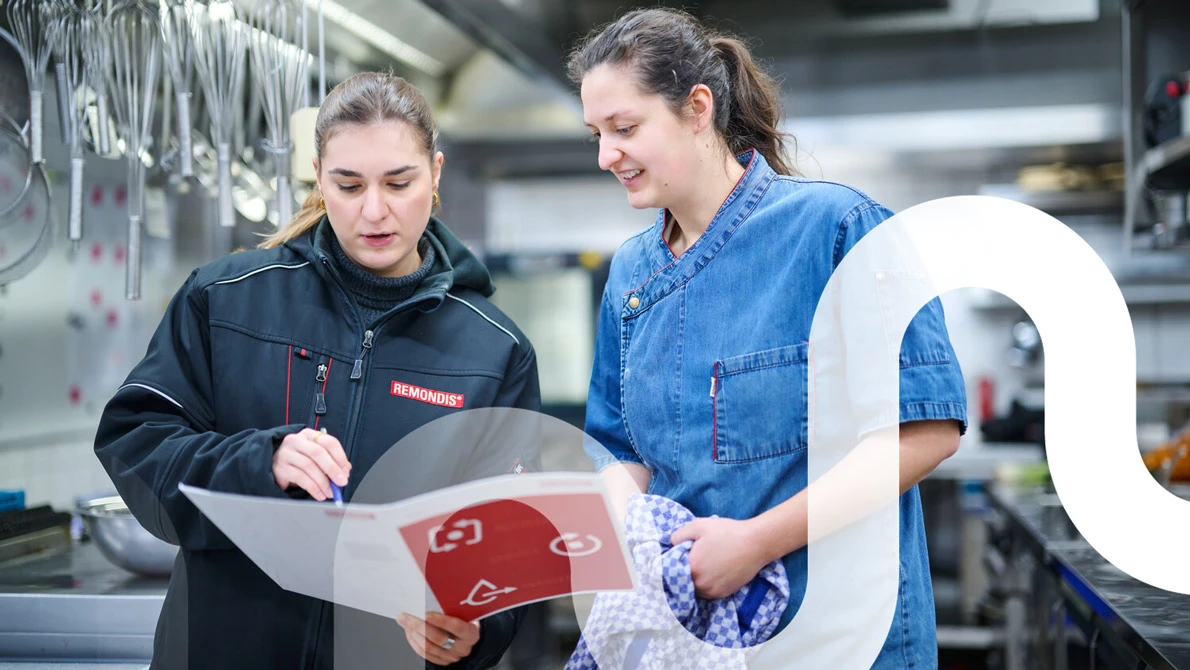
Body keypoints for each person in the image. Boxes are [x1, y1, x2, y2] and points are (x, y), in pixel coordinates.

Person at [94, 72, 539, 670]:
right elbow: (135, 444)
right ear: (319, 175)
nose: (374, 210)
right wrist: (260, 462)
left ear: (434, 175)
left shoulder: (494, 351)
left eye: (398, 182)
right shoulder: (225, 299)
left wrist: (477, 628)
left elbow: (509, 535)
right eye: (348, 184)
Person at [571, 8, 967, 667]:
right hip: (692, 644)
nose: (606, 155)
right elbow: (618, 448)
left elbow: (924, 431)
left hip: (841, 641)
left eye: (625, 128)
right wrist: (630, 542)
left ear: (698, 109)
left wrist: (754, 542)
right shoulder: (630, 274)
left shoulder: (839, 229)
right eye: (597, 134)